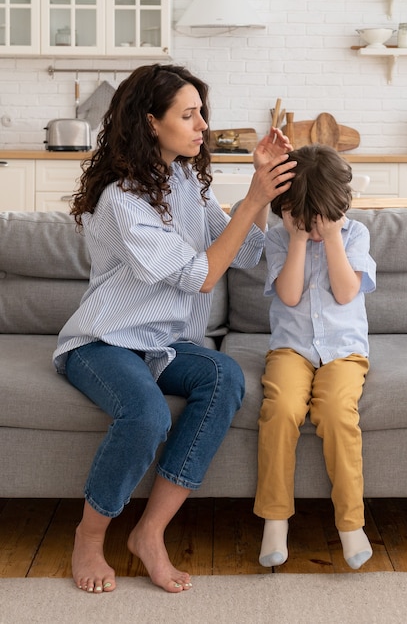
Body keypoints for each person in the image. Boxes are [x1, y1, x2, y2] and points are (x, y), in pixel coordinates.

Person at [53, 63, 296, 595]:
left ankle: (150, 533)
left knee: (224, 378)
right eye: (188, 115)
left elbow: (246, 250)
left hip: (163, 345)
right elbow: (202, 276)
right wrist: (253, 198)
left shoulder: (185, 180)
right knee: (144, 412)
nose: (202, 125)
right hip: (105, 340)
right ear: (150, 122)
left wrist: (259, 188)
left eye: (201, 112)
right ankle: (89, 538)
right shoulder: (122, 199)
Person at [254, 144, 376, 571]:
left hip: (344, 353)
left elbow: (345, 292)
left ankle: (350, 524)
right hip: (292, 350)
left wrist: (335, 237)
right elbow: (288, 295)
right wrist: (298, 239)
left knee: (337, 414)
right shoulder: (278, 238)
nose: (316, 229)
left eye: (321, 221)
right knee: (281, 409)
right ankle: (274, 520)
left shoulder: (355, 235)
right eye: (306, 221)